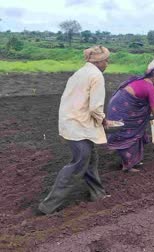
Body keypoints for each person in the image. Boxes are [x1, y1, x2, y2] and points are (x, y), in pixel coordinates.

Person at [38, 45, 110, 215]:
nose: (108, 64)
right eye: (106, 60)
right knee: (78, 164)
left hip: (71, 121)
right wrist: (104, 120)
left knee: (90, 158)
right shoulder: (96, 76)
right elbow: (95, 108)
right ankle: (48, 206)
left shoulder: (80, 72)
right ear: (99, 62)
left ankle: (98, 194)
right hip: (79, 125)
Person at [106, 67, 154, 173]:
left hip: (116, 105)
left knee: (136, 131)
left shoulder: (138, 80)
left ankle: (132, 161)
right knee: (129, 134)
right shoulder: (151, 88)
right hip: (123, 110)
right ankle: (127, 165)